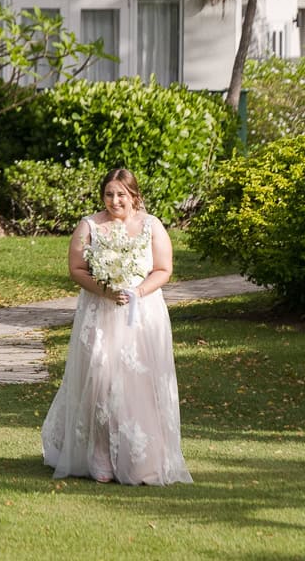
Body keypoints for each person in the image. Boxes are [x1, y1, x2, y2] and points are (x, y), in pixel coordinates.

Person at [41, 167, 192, 485]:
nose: (114, 200)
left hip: (141, 314)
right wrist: (105, 290)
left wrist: (137, 292)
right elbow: (77, 268)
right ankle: (99, 454)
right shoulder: (89, 226)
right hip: (100, 313)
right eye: (109, 194)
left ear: (134, 195)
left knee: (137, 384)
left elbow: (163, 269)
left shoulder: (151, 226)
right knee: (100, 377)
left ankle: (141, 458)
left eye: (121, 194)